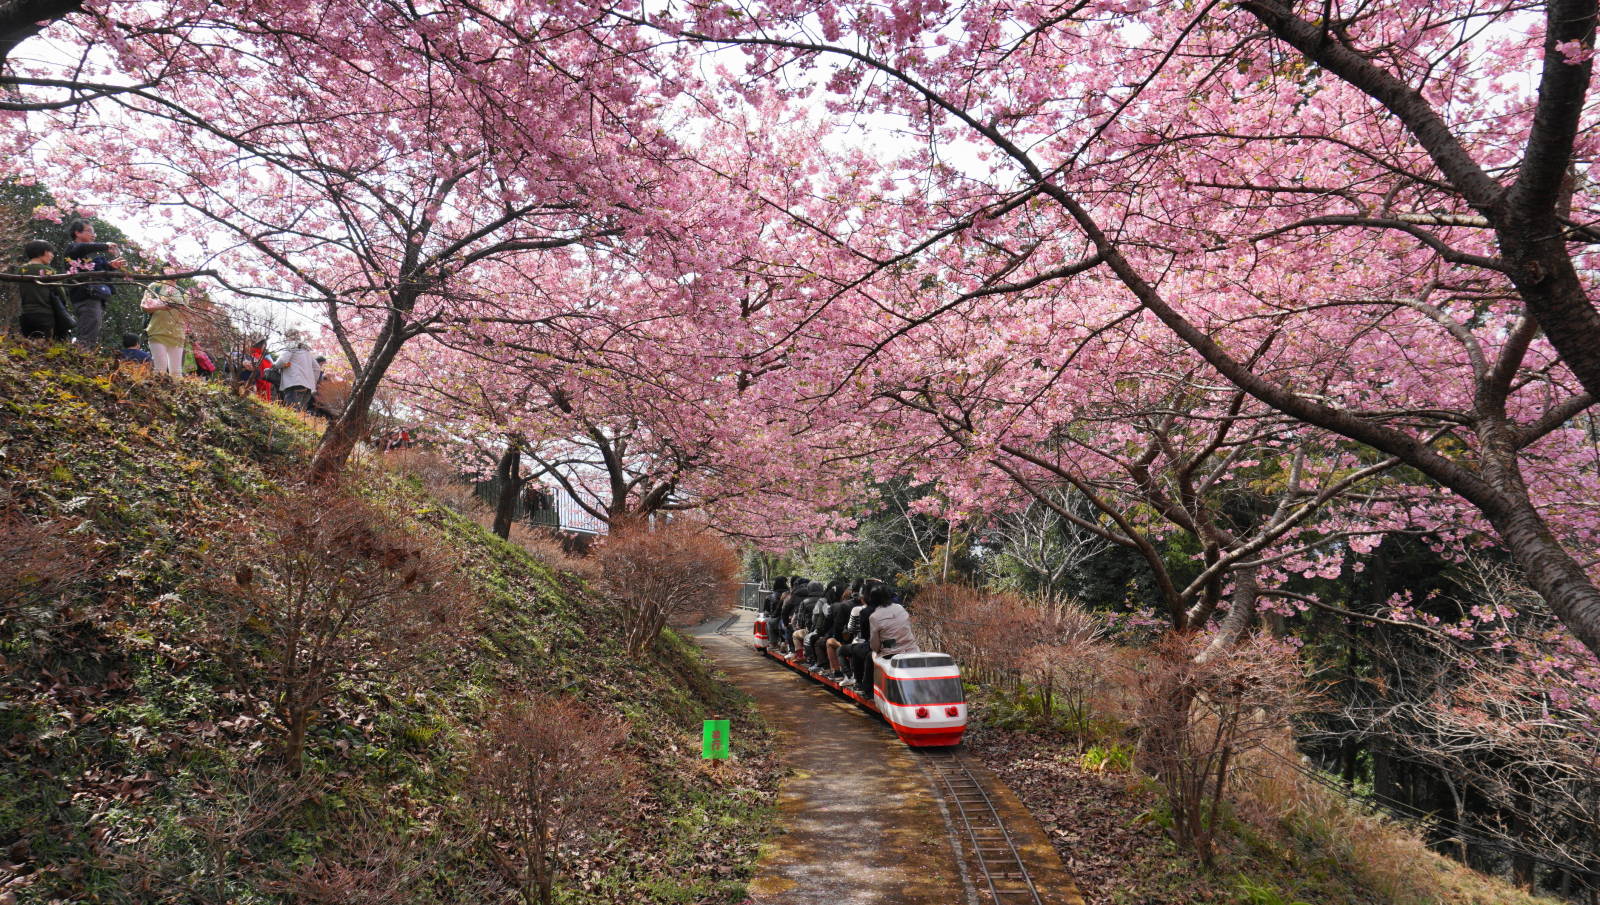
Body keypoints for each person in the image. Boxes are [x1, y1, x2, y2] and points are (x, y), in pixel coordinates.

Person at [62, 219, 123, 349]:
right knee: (88, 331)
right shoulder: (73, 248)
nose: (93, 235)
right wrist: (105, 245)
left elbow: (93, 269)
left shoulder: (85, 256)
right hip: (85, 295)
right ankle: (81, 360)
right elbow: (82, 247)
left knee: (92, 328)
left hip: (93, 295)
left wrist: (109, 266)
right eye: (89, 231)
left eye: (94, 232)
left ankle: (83, 358)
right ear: (77, 233)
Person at [16, 240, 73, 341]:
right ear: (43, 252)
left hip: (26, 314)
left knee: (29, 344)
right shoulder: (48, 271)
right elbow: (61, 294)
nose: (52, 255)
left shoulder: (20, 271)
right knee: (45, 345)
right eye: (51, 252)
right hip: (45, 314)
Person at [141, 283, 187, 377]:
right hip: (157, 331)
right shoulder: (155, 287)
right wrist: (161, 307)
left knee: (176, 372)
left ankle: (176, 391)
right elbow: (144, 307)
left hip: (177, 333)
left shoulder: (182, 292)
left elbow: (187, 314)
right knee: (160, 368)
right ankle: (157, 391)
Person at [273, 333, 320, 411]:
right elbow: (317, 368)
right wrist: (312, 382)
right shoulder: (306, 351)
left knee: (292, 412)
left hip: (294, 384)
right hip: (308, 388)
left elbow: (282, 361)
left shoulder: (291, 346)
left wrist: (274, 366)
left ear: (289, 338)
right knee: (300, 413)